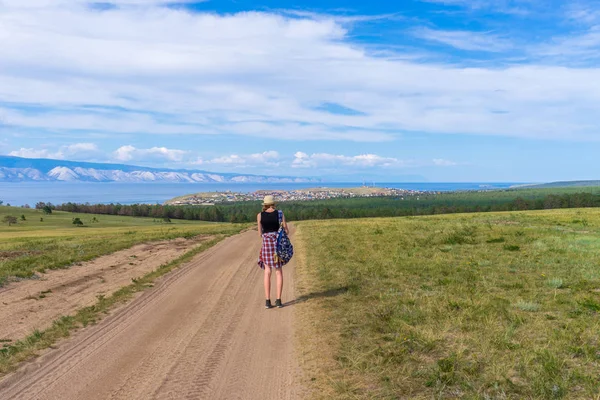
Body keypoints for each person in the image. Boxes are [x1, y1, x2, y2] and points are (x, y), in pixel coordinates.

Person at [257, 195, 289, 309]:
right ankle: (279, 300)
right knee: (278, 271)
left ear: (264, 204)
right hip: (278, 246)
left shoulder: (260, 215)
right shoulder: (280, 214)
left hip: (266, 245)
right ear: (273, 204)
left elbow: (260, 233)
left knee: (267, 271)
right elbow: (286, 230)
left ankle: (267, 301)